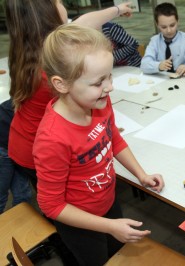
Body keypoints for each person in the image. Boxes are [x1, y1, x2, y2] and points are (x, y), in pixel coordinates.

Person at [34, 23, 165, 266]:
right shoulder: (53, 139)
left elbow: (113, 138)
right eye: (98, 82)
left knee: (118, 254)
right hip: (80, 222)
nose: (110, 87)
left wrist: (140, 174)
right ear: (61, 84)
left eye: (110, 76)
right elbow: (51, 205)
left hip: (108, 201)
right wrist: (108, 226)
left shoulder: (100, 103)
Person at [5, 0, 133, 189]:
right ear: (47, 12)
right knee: (66, 200)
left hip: (24, 139)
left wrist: (118, 9)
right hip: (43, 152)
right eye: (59, 1)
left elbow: (83, 23)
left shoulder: (32, 49)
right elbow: (84, 24)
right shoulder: (54, 64)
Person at [140, 2, 185, 77]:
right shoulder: (154, 41)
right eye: (164, 27)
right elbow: (144, 65)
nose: (169, 30)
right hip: (162, 82)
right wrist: (158, 65)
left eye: (172, 25)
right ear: (157, 25)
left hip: (184, 82)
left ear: (178, 21)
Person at [0, 99, 32, 213]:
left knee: (23, 195)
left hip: (20, 151)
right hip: (5, 149)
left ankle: (21, 226)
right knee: (2, 194)